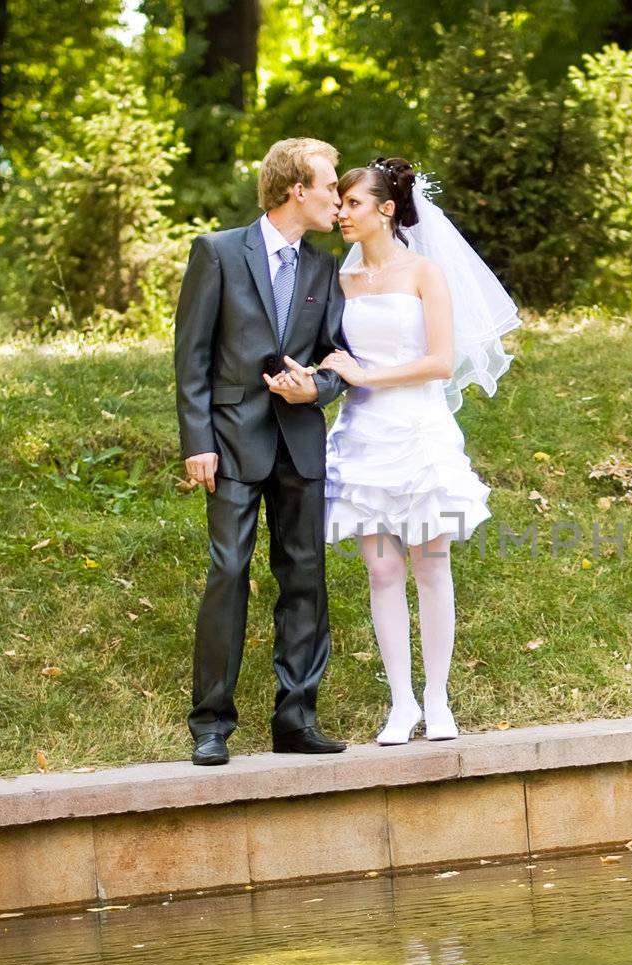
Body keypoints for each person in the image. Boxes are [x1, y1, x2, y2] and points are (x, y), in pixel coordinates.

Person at [264, 157, 518, 746]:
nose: (340, 212)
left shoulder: (425, 273)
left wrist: (366, 376)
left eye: (352, 203)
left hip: (420, 435)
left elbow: (440, 361)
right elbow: (329, 356)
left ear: (384, 210)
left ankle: (438, 697)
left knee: (431, 564)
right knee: (381, 570)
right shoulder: (338, 281)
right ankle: (401, 703)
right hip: (363, 441)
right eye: (339, 201)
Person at [173, 137, 352, 766]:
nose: (338, 197)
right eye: (331, 186)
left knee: (304, 575)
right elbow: (191, 356)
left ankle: (295, 718)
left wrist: (316, 390)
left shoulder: (325, 270)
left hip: (299, 444)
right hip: (229, 443)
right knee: (228, 572)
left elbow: (337, 357)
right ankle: (211, 724)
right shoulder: (218, 252)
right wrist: (198, 442)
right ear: (296, 189)